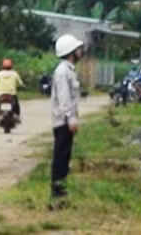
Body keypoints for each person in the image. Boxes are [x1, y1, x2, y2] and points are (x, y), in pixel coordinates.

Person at [49, 33, 84, 209]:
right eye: (78, 49)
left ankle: (61, 192)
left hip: (65, 121)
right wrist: (71, 119)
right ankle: (57, 194)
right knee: (60, 158)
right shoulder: (63, 72)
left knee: (65, 157)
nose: (81, 51)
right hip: (62, 121)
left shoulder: (68, 70)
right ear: (71, 52)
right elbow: (64, 98)